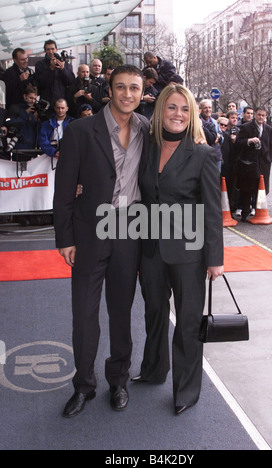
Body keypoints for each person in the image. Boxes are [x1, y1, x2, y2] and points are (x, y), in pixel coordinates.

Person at [53, 65, 149, 418]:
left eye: (134, 88)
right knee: (84, 316)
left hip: (129, 230)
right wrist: (65, 238)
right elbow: (63, 190)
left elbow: (182, 139)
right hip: (90, 234)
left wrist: (201, 137)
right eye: (121, 87)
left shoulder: (147, 130)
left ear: (142, 93)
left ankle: (119, 380)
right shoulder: (80, 131)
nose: (127, 94)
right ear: (109, 90)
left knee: (121, 313)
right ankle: (83, 385)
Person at [131, 84, 224, 415]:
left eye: (184, 109)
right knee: (154, 312)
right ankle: (155, 369)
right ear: (160, 112)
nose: (178, 114)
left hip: (189, 253)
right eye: (171, 108)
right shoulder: (147, 147)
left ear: (193, 114)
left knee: (186, 321)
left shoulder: (203, 154)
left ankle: (186, 390)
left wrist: (215, 259)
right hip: (152, 248)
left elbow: (213, 211)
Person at [236, 107, 272, 221]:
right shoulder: (246, 127)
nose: (261, 117)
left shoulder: (268, 129)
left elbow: (271, 145)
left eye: (263, 115)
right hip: (249, 163)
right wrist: (249, 141)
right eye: (259, 115)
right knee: (247, 189)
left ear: (265, 116)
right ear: (255, 115)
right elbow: (238, 142)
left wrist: (269, 158)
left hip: (263, 163)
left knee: (261, 188)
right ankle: (245, 212)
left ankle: (258, 211)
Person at [35, 40, 75, 108]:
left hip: (62, 103)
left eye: (52, 49)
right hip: (47, 102)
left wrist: (63, 69)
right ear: (45, 51)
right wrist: (51, 69)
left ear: (56, 49)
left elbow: (71, 82)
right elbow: (40, 83)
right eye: (48, 49)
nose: (51, 52)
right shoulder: (40, 64)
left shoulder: (66, 64)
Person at [199, 99, 224, 171]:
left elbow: (222, 138)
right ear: (200, 109)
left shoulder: (214, 122)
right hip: (202, 156)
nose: (208, 110)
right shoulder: (197, 121)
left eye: (209, 107)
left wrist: (219, 138)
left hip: (216, 156)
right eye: (205, 108)